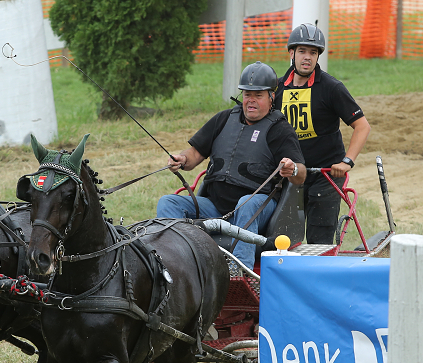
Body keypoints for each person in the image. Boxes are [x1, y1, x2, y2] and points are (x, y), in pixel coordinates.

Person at [156, 61, 305, 271]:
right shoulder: (224, 119)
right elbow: (195, 154)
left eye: (258, 95)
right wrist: (182, 159)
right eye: (247, 95)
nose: (250, 101)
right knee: (168, 203)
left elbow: (301, 175)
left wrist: (293, 169)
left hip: (258, 207)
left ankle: (239, 271)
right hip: (215, 207)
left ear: (272, 97)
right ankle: (172, 265)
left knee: (246, 203)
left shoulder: (280, 130)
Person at [274, 23, 371, 245]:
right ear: (291, 53)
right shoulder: (276, 88)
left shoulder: (331, 87)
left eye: (313, 52)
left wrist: (347, 161)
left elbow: (362, 126)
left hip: (326, 175)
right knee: (282, 239)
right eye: (302, 51)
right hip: (290, 174)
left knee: (319, 241)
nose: (307, 57)